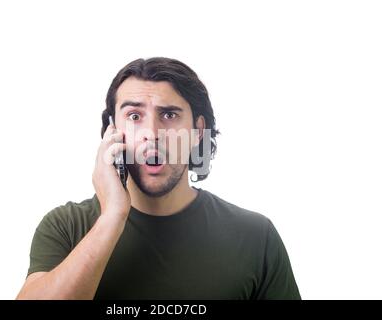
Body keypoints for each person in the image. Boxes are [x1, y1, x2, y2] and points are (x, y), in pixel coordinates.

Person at [16, 57, 301, 300]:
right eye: (135, 116)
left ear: (197, 131)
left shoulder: (256, 237)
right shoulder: (66, 226)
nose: (152, 132)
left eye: (168, 114)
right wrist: (113, 216)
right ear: (111, 132)